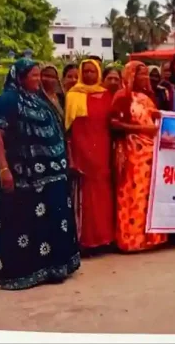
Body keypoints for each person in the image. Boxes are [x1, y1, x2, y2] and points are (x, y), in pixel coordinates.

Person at [0, 58, 80, 290]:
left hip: (50, 176)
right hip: (19, 175)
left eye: (39, 75)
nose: (38, 80)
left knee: (48, 222)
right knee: (20, 222)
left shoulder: (38, 101)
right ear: (19, 77)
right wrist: (4, 169)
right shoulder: (5, 101)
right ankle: (21, 273)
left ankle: (53, 268)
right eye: (34, 76)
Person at [110, 61, 167, 253]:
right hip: (131, 151)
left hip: (149, 153)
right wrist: (141, 129)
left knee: (148, 194)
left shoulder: (147, 98)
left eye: (145, 74)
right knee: (132, 193)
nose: (144, 78)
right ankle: (131, 239)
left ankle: (151, 238)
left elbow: (153, 119)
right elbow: (114, 123)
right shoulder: (122, 96)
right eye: (140, 74)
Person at [64, 60, 115, 253]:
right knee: (85, 196)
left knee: (103, 194)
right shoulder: (73, 95)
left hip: (103, 150)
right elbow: (68, 129)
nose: (89, 74)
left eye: (93, 71)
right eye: (85, 71)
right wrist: (73, 156)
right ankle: (85, 241)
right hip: (82, 150)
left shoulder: (106, 95)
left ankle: (105, 239)